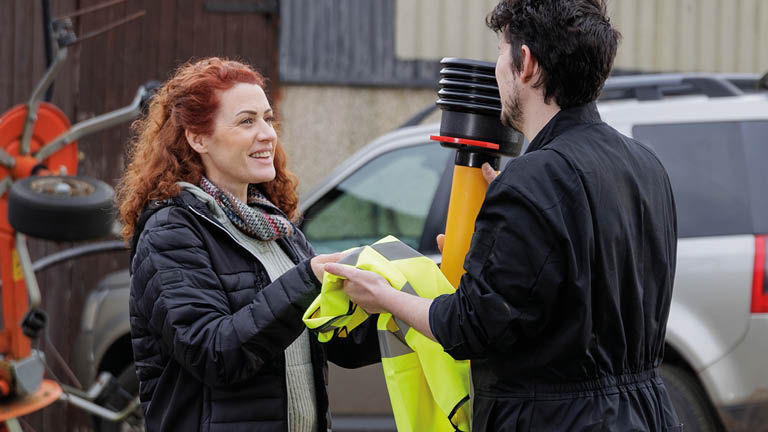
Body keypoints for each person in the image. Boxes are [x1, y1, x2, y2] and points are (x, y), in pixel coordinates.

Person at [325, 0, 681, 430]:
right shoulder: (646, 165)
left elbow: (470, 327)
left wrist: (385, 296)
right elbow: (576, 277)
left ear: (526, 63)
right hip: (647, 415)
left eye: (500, 52)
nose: (497, 69)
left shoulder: (534, 180)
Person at [115, 58, 379, 432]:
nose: (268, 134)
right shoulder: (170, 231)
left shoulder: (277, 229)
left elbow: (335, 345)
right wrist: (307, 280)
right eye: (246, 121)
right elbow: (214, 353)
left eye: (268, 119)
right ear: (198, 137)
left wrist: (392, 304)